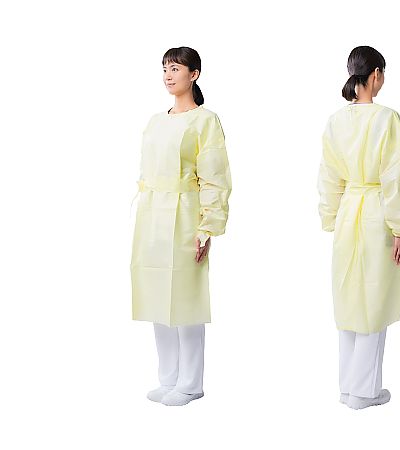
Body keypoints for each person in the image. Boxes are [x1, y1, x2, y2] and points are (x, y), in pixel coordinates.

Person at [130, 46, 232, 406]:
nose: (168, 75)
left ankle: (190, 383)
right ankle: (168, 377)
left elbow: (215, 177)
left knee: (186, 298)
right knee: (158, 295)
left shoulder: (205, 121)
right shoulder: (156, 121)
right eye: (165, 68)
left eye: (175, 68)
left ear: (194, 74)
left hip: (185, 214)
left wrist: (208, 227)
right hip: (152, 215)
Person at [317, 45, 400, 410]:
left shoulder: (336, 121)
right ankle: (364, 392)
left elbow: (328, 176)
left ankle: (350, 387)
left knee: (349, 299)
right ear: (376, 74)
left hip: (348, 212)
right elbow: (395, 179)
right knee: (374, 299)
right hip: (377, 212)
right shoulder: (387, 119)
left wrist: (331, 216)